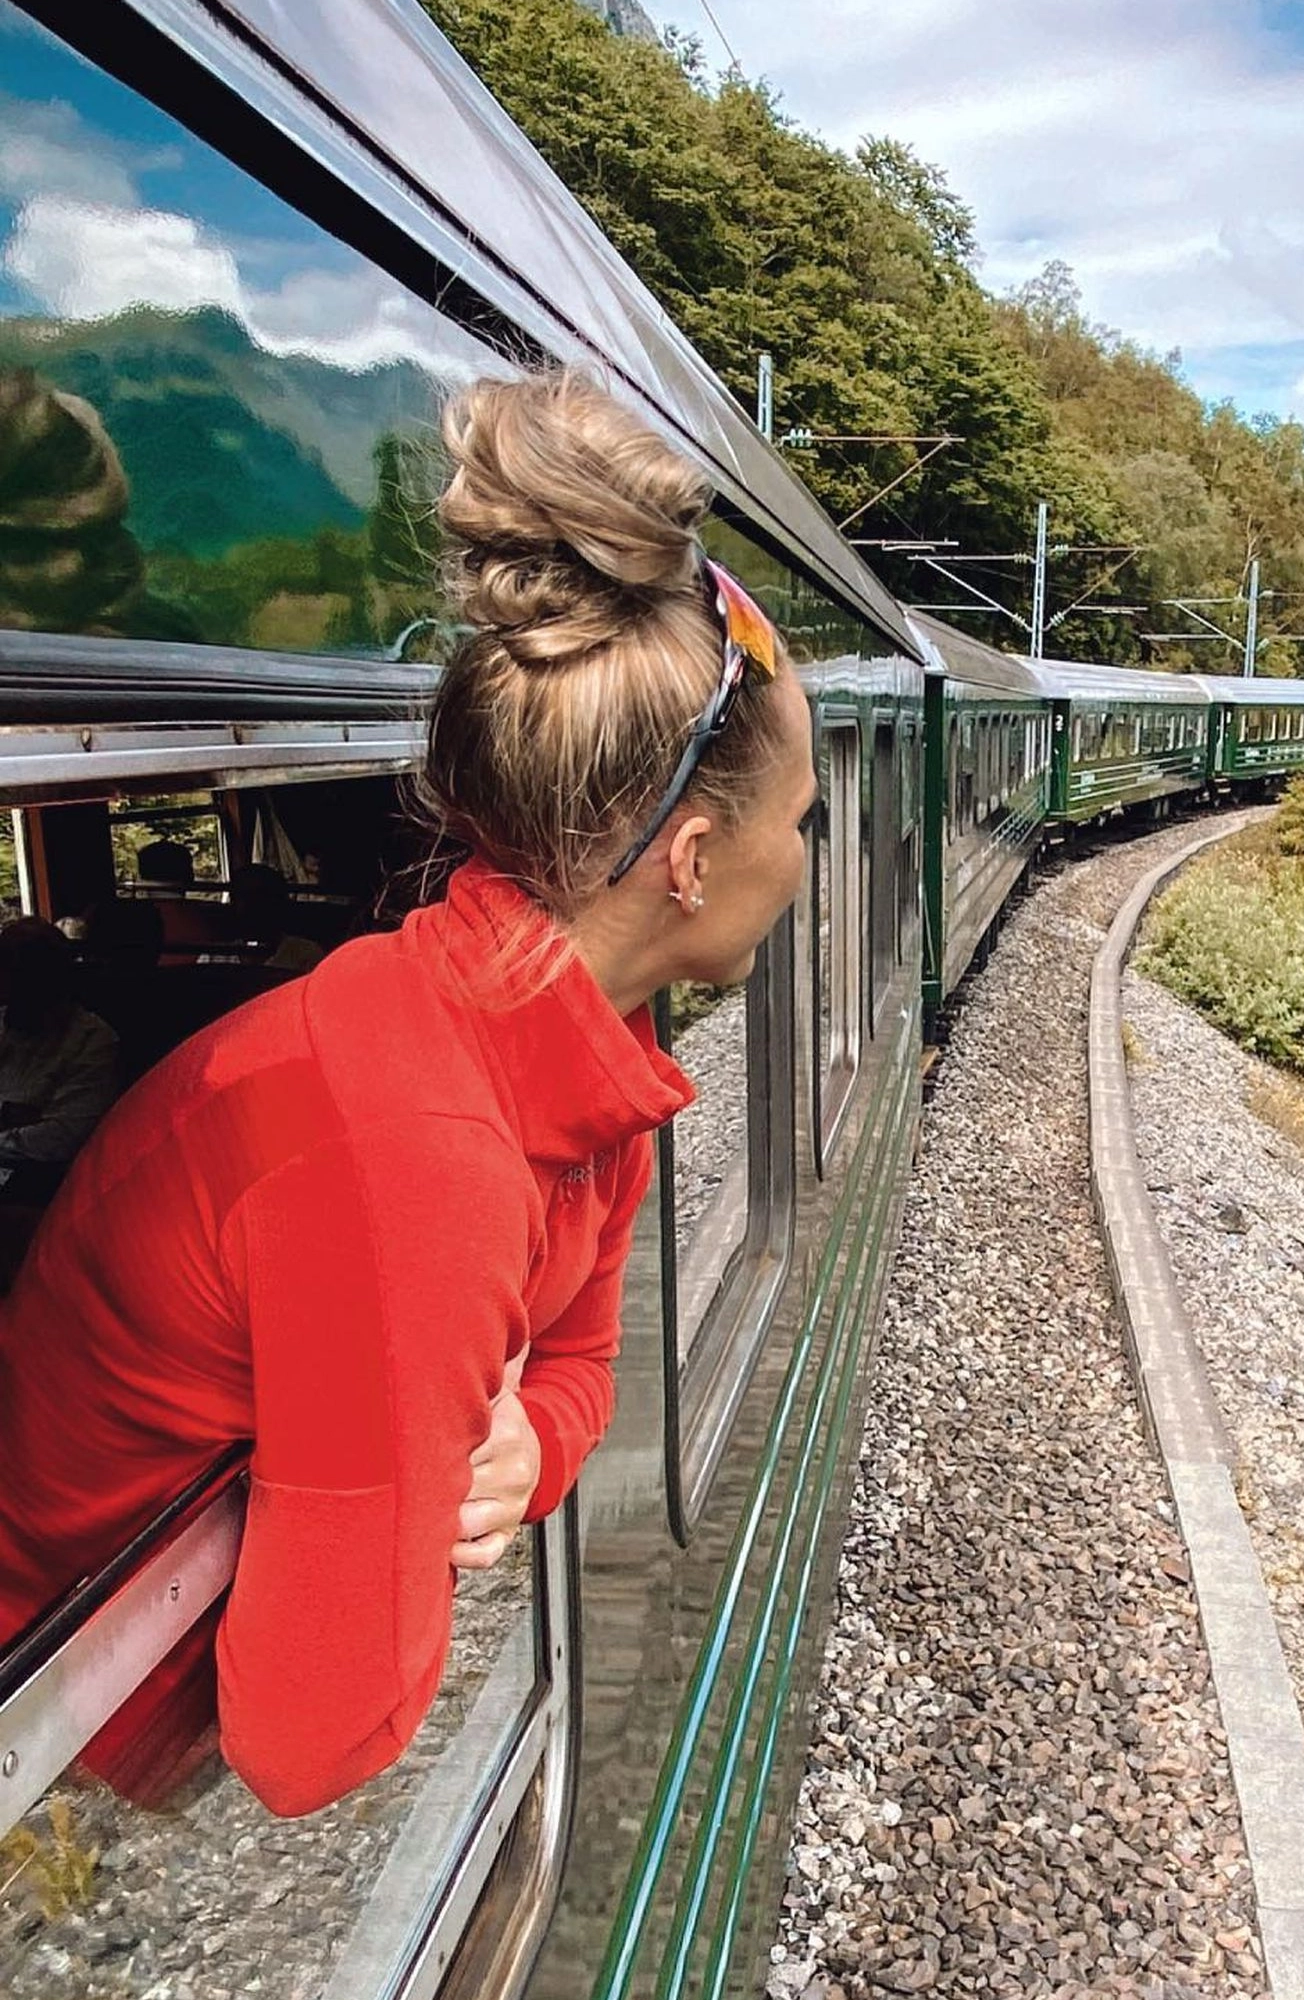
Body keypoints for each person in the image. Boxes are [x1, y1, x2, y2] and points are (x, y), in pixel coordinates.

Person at [0, 371, 819, 1816]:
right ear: (692, 859)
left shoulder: (567, 1068)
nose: (806, 858)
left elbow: (573, 1367)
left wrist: (525, 1447)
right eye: (803, 822)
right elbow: (311, 1745)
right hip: (57, 1720)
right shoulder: (424, 1152)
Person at [0, 918, 120, 1195]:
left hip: (38, 1187)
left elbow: (64, 1137)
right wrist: (18, 1116)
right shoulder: (4, 1022)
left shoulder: (91, 1040)